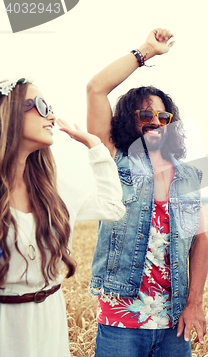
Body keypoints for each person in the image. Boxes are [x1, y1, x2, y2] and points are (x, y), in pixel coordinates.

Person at [86, 28, 208, 357]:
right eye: (145, 114)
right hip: (121, 322)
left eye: (162, 116)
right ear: (129, 119)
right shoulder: (115, 161)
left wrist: (195, 302)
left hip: (174, 324)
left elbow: (199, 241)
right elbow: (96, 89)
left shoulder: (187, 176)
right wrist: (146, 51)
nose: (155, 121)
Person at [0, 78, 125, 357]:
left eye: (51, 108)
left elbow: (112, 207)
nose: (52, 116)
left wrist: (95, 146)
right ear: (8, 112)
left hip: (48, 322)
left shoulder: (53, 191)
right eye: (42, 106)